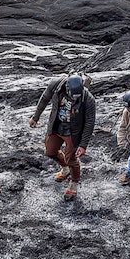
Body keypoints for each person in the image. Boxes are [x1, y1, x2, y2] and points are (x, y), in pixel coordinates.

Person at [30, 74, 95, 202]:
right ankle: (65, 169)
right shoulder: (56, 85)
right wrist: (35, 117)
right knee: (50, 151)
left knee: (72, 158)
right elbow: (44, 99)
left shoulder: (88, 99)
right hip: (56, 125)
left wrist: (83, 145)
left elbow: (90, 122)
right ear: (67, 87)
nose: (75, 98)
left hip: (73, 132)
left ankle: (74, 183)